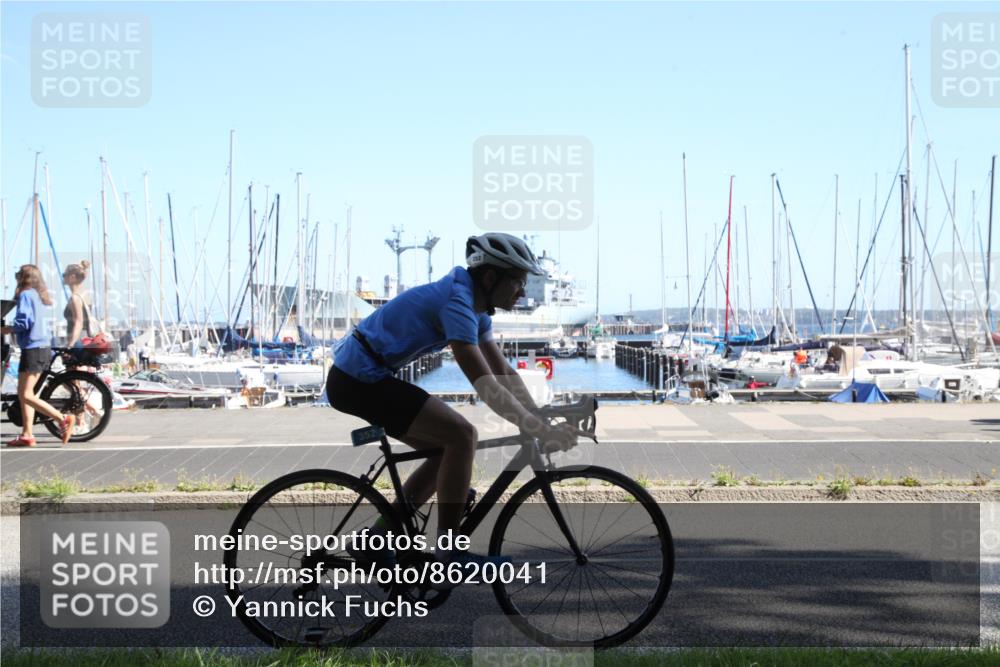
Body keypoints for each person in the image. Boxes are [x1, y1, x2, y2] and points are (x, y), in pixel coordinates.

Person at [326, 233, 579, 577]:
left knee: (445, 450)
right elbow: (485, 384)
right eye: (518, 282)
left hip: (366, 377)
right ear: (490, 278)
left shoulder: (477, 310)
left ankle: (376, 539)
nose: (522, 291)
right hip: (358, 380)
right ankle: (449, 554)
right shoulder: (456, 302)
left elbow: (503, 371)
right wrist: (537, 428)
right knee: (462, 435)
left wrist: (536, 416)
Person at [1, 265, 75, 446]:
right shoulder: (37, 295)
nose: (16, 276)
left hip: (33, 348)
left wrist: (5, 329)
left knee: (26, 394)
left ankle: (62, 418)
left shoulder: (25, 295)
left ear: (24, 278)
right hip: (42, 347)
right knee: (25, 393)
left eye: (18, 273)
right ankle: (27, 435)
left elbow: (24, 322)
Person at [62, 260, 92, 347]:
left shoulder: (75, 298)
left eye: (64, 275)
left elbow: (79, 322)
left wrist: (70, 344)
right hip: (86, 337)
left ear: (72, 277)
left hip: (78, 340)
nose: (63, 277)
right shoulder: (84, 294)